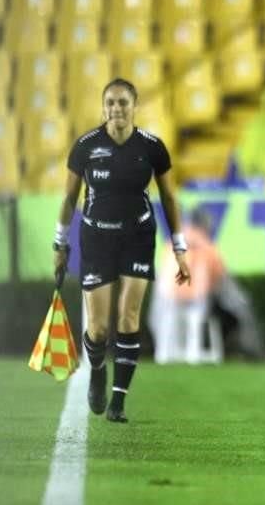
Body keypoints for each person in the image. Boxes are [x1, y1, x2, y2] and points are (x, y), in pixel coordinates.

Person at [52, 78, 191, 423]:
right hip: (96, 239)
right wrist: (60, 242)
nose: (116, 108)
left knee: (128, 318)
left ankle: (118, 400)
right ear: (103, 107)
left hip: (138, 236)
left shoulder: (152, 147)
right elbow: (70, 199)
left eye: (123, 103)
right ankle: (98, 370)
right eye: (110, 102)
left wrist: (180, 248)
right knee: (98, 329)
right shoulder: (85, 146)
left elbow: (170, 198)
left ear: (134, 106)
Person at [150, 208, 226, 364]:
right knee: (195, 324)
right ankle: (193, 354)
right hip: (197, 296)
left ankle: (163, 354)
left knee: (168, 322)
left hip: (171, 295)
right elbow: (218, 274)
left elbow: (163, 271)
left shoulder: (172, 242)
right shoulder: (208, 246)